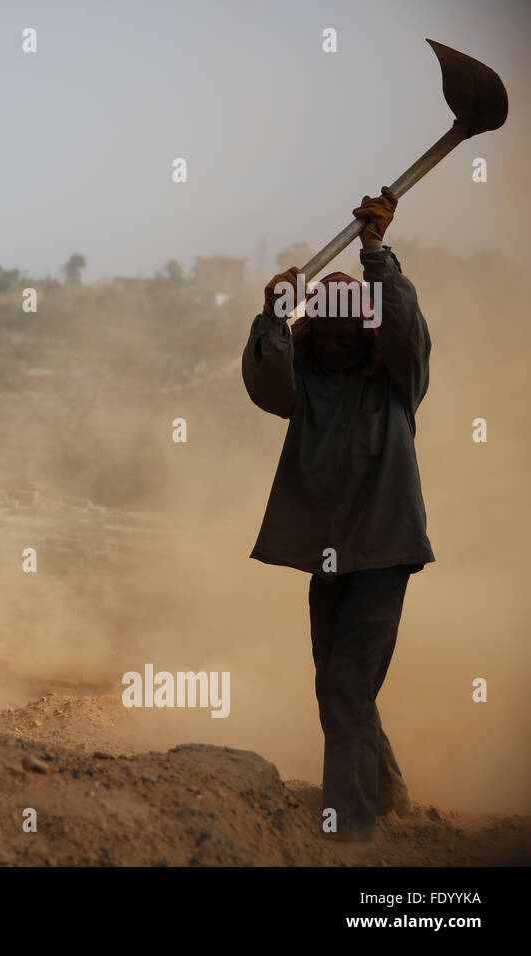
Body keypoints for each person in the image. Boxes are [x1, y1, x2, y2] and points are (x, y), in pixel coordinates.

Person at [242, 186, 431, 841]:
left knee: (344, 689)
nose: (332, 342)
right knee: (338, 683)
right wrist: (270, 315)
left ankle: (349, 828)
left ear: (365, 331)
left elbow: (406, 325)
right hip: (329, 556)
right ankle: (386, 790)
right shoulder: (307, 387)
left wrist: (377, 252)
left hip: (384, 553)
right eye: (321, 331)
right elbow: (267, 380)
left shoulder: (396, 381)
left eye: (345, 330)